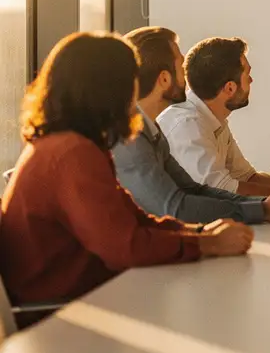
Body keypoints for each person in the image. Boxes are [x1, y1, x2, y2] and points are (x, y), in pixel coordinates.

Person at [0, 32, 253, 309]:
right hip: (58, 313)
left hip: (85, 296)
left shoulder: (74, 144)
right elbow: (125, 246)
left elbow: (134, 221)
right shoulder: (72, 153)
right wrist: (209, 245)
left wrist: (201, 233)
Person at [113, 27, 270, 225]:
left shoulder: (151, 130)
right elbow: (175, 207)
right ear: (164, 79)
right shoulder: (130, 138)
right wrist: (263, 210)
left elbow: (194, 189)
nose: (187, 76)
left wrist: (263, 205)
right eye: (180, 65)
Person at [158, 37, 270, 203]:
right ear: (230, 88)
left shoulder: (212, 118)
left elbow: (247, 177)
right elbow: (223, 190)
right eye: (247, 74)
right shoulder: (187, 125)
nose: (251, 80)